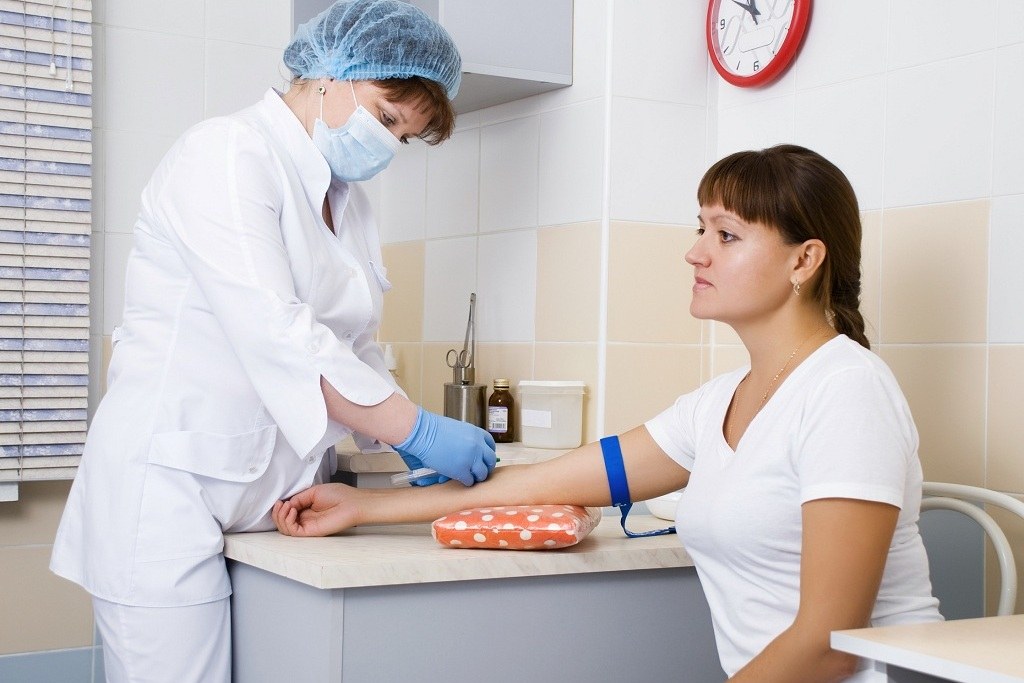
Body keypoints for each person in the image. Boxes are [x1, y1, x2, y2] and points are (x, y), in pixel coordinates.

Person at [273, 145, 944, 682]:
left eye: (727, 234)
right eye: (701, 228)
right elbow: (543, 482)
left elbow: (829, 646)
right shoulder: (718, 403)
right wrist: (366, 508)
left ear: (805, 259)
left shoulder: (846, 391)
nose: (696, 251)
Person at [49, 1, 496, 681]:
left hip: (264, 499)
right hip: (169, 491)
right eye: (386, 118)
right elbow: (279, 335)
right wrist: (417, 429)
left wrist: (400, 440)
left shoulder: (347, 202)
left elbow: (352, 343)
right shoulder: (228, 153)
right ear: (332, 72)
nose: (387, 148)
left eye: (403, 137)